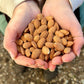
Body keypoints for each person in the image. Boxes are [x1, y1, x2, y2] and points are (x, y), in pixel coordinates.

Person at [0, 0, 84, 71]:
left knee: (55, 57)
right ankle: (23, 58)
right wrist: (18, 4)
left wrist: (65, 1)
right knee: (15, 38)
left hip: (68, 8)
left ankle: (50, 63)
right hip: (11, 9)